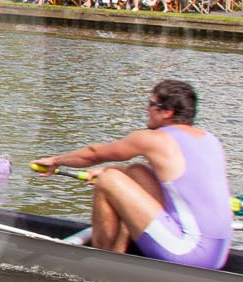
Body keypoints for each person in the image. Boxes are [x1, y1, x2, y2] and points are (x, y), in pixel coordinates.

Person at [31, 79, 231, 269]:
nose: (147, 109)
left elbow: (94, 153)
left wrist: (55, 161)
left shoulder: (154, 139)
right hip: (218, 255)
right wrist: (118, 171)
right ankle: (119, 250)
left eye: (151, 103)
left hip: (188, 253)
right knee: (136, 171)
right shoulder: (210, 140)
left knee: (108, 181)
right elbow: (175, 182)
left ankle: (101, 261)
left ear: (167, 112)